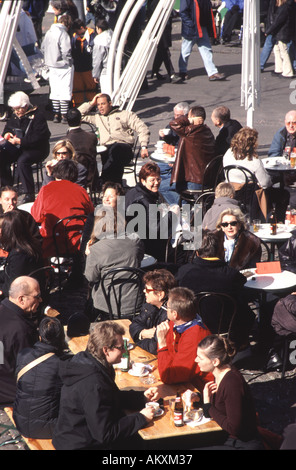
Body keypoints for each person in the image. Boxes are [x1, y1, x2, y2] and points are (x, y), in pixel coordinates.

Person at [52, 321, 159, 450]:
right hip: (81, 444)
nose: (125, 351)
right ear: (106, 350)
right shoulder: (94, 383)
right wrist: (141, 418)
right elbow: (105, 433)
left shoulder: (87, 361)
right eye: (121, 347)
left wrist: (141, 397)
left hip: (73, 437)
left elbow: (110, 397)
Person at [176, 231, 255, 348]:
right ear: (220, 251)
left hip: (194, 323)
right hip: (226, 325)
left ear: (196, 252)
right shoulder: (231, 274)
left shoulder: (185, 272)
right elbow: (242, 285)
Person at [195, 335, 264, 449]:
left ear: (215, 361)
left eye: (200, 358)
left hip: (241, 444)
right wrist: (199, 397)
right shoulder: (219, 374)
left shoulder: (232, 383)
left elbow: (234, 428)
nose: (196, 360)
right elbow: (221, 405)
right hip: (226, 437)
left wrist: (208, 406)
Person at [84, 205, 144, 320]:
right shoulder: (135, 241)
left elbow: (91, 277)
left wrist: (89, 255)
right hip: (134, 301)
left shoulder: (96, 249)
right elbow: (139, 258)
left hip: (107, 305)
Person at [13, 317, 69, 439]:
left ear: (40, 337)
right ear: (61, 338)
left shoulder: (23, 354)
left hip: (20, 421)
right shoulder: (61, 364)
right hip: (47, 428)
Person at [79, 93, 150, 184]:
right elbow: (77, 115)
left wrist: (144, 146)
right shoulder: (97, 117)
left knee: (115, 151)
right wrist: (91, 103)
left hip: (123, 149)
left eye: (103, 104)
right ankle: (118, 191)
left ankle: (105, 181)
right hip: (107, 152)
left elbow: (142, 128)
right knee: (114, 165)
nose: (100, 107)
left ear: (110, 103)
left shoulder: (125, 114)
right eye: (98, 104)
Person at [31, 159, 94, 259]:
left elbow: (36, 216)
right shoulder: (81, 190)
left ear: (55, 174)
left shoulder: (46, 189)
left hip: (52, 244)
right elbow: (91, 214)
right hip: (78, 243)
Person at [224, 126, 290, 221]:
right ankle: (279, 222)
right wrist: (278, 178)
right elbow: (265, 184)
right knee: (284, 194)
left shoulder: (228, 153)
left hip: (233, 191)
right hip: (250, 196)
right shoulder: (253, 160)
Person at [156, 287, 214, 390]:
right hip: (186, 380)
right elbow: (171, 357)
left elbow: (169, 377)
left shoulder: (194, 336)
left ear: (175, 314)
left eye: (167, 306)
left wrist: (162, 343)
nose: (165, 308)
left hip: (202, 390)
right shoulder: (175, 323)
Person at [0, 91, 50, 203]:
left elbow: (38, 137)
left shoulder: (38, 116)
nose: (16, 112)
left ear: (26, 106)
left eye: (18, 109)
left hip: (36, 148)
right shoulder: (15, 115)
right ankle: (6, 188)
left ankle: (29, 193)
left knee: (22, 161)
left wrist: (21, 141)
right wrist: (7, 135)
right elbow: (8, 128)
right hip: (19, 146)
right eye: (14, 109)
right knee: (2, 156)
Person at [0, 276, 41, 405]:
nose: (41, 299)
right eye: (37, 296)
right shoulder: (20, 329)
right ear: (21, 299)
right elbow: (29, 368)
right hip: (10, 390)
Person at [125, 162, 174, 262]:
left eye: (158, 179)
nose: (156, 183)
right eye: (152, 180)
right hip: (145, 246)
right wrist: (172, 215)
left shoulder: (133, 192)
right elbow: (158, 229)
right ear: (143, 181)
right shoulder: (145, 200)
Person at [129, 269, 177, 354]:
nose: (144, 291)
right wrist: (144, 333)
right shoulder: (150, 305)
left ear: (160, 295)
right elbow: (134, 324)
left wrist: (136, 341)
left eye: (148, 290)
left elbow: (153, 347)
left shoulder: (170, 315)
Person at [170, 105, 216, 192]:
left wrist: (188, 120)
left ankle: (183, 205)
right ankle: (186, 203)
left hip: (193, 180)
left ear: (193, 118)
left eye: (188, 116)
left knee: (162, 187)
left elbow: (173, 123)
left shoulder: (190, 131)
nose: (187, 117)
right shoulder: (207, 130)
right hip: (207, 179)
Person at [178, 0, 226, 81]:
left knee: (207, 50)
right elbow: (183, 12)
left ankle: (212, 73)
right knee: (186, 51)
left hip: (201, 27)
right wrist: (190, 24)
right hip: (192, 28)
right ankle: (182, 71)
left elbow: (207, 5)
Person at [0, 210, 43, 299]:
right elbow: (10, 273)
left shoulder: (19, 255)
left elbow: (13, 288)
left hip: (22, 297)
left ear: (8, 230)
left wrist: (1, 290)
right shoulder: (28, 245)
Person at [41, 14, 74, 123]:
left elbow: (42, 48)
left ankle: (56, 114)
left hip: (51, 65)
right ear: (67, 24)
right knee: (65, 90)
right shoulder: (63, 33)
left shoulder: (49, 32)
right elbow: (66, 51)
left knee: (55, 91)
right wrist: (69, 62)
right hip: (63, 66)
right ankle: (64, 115)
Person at [158, 102, 189, 206]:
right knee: (157, 168)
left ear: (186, 115)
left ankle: (183, 205)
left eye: (179, 116)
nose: (175, 117)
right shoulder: (172, 124)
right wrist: (163, 137)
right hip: (173, 158)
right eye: (174, 115)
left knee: (159, 185)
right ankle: (176, 192)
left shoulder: (189, 130)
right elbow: (166, 143)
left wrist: (176, 162)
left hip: (183, 167)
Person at [65, 108, 98, 187]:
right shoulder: (92, 137)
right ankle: (120, 198)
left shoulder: (64, 141)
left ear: (67, 121)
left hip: (71, 177)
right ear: (80, 121)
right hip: (91, 177)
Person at [265, 0, 295, 79]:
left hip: (282, 33)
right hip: (280, 32)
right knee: (277, 50)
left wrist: (268, 31)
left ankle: (288, 72)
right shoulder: (285, 7)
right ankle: (279, 68)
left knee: (283, 51)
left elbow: (277, 21)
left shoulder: (284, 8)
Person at [71, 18, 96, 106]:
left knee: (90, 86)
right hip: (77, 67)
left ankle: (93, 103)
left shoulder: (92, 35)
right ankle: (78, 104)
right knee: (77, 87)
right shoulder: (74, 36)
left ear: (82, 27)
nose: (76, 32)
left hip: (88, 66)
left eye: (77, 30)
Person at [92, 18, 113, 94]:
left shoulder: (99, 41)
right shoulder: (113, 35)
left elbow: (97, 60)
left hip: (105, 71)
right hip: (116, 69)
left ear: (99, 29)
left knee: (106, 94)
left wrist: (95, 75)